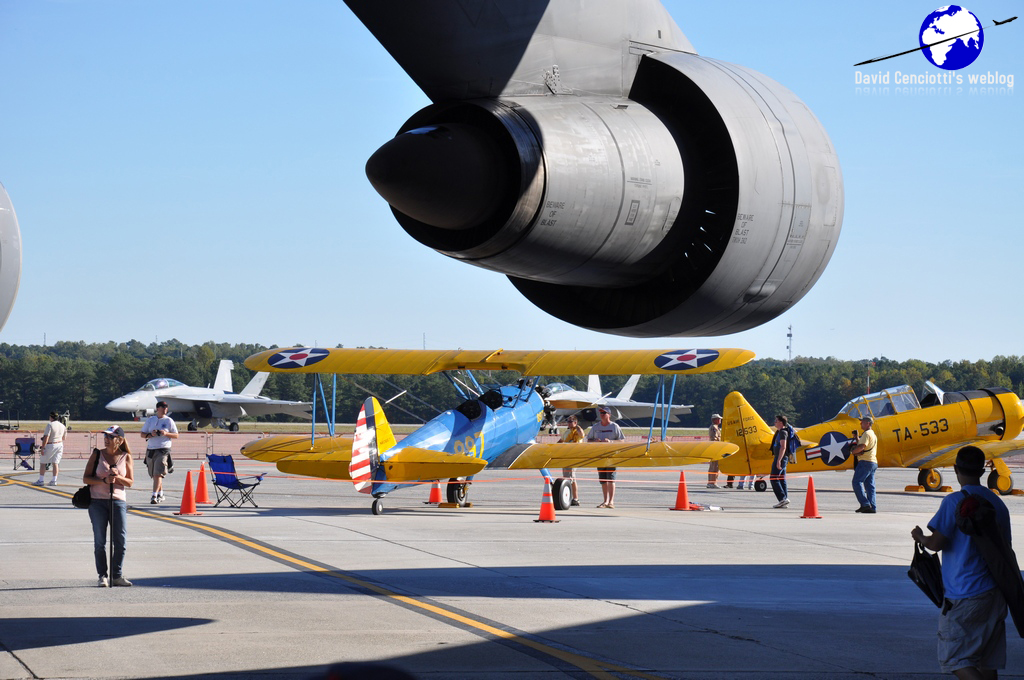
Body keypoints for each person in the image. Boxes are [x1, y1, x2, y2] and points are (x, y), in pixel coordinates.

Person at [912, 446, 1011, 679]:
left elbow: (935, 543)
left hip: (965, 594)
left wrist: (920, 537)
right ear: (983, 470)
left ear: (956, 469)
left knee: (955, 659)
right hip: (996, 592)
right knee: (987, 662)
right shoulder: (998, 504)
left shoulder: (954, 501)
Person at [84, 425, 135, 587]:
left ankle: (116, 575)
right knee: (100, 541)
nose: (106, 439)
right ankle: (102, 575)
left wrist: (118, 477)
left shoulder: (126, 457)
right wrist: (104, 480)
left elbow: (130, 482)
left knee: (120, 540)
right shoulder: (97, 454)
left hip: (118, 501)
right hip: (97, 502)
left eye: (110, 437)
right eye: (105, 436)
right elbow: (86, 478)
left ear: (119, 440)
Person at [141, 400, 178, 504]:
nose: (165, 409)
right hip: (151, 449)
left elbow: (176, 435)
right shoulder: (150, 420)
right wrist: (151, 434)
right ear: (158, 409)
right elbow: (142, 434)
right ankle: (161, 493)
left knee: (158, 473)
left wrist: (166, 433)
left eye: (166, 407)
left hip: (163, 449)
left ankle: (154, 496)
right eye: (163, 407)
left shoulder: (169, 421)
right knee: (154, 474)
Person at [588, 407, 624, 508]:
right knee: (603, 480)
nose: (602, 415)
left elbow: (622, 441)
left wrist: (611, 442)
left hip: (611, 456)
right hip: (600, 456)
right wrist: (595, 441)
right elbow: (588, 440)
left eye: (604, 413)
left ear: (609, 415)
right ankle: (605, 501)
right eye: (601, 413)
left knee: (611, 479)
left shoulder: (614, 426)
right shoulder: (595, 427)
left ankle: (611, 501)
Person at [850, 416, 878, 513]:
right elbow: (863, 445)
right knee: (870, 486)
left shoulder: (866, 434)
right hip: (872, 462)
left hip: (865, 462)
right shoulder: (872, 434)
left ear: (868, 424)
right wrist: (857, 438)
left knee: (856, 482)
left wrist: (853, 452)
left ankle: (865, 504)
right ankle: (872, 506)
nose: (861, 424)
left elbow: (862, 446)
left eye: (862, 422)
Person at [34, 410, 67, 486]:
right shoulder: (63, 426)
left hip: (50, 444)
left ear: (51, 417)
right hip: (59, 444)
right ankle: (54, 480)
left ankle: (41, 480)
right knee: (55, 463)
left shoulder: (50, 425)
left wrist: (43, 447)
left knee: (43, 462)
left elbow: (46, 437)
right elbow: (64, 438)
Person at [559, 414, 585, 506]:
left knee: (571, 477)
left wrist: (576, 426)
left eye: (571, 422)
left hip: (573, 456)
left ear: (575, 422)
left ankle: (575, 498)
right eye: (568, 421)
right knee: (567, 477)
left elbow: (582, 434)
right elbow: (561, 441)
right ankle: (573, 498)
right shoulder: (567, 432)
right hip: (565, 456)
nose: (569, 423)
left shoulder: (577, 431)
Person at [770, 415, 792, 508]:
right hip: (782, 458)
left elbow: (783, 447)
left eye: (776, 421)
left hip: (781, 458)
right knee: (782, 479)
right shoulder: (780, 432)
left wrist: (779, 460)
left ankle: (783, 499)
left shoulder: (783, 432)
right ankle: (784, 500)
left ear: (781, 423)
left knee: (774, 478)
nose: (775, 422)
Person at [707, 413, 722, 488]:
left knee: (714, 466)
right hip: (715, 448)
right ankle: (712, 483)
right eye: (718, 419)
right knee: (715, 466)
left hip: (715, 448)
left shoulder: (715, 427)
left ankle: (711, 482)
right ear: (715, 420)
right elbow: (714, 438)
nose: (720, 420)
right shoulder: (714, 427)